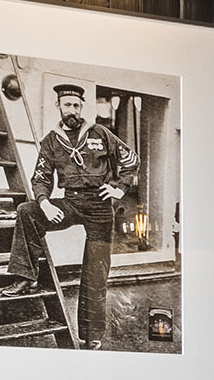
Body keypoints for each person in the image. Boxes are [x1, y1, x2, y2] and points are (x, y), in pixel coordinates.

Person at [32, 81, 143, 347]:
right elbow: (41, 176)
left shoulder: (100, 133)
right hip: (71, 202)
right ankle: (25, 277)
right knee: (27, 211)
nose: (72, 110)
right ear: (58, 106)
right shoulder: (51, 141)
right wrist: (45, 202)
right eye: (67, 105)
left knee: (96, 272)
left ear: (82, 107)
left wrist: (118, 188)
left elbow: (131, 159)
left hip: (99, 207)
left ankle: (92, 337)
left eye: (76, 105)